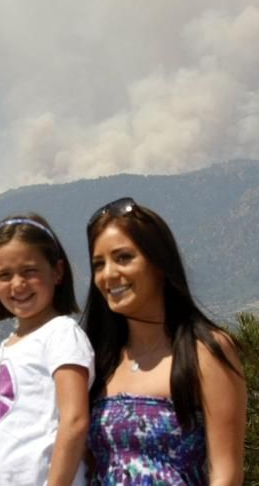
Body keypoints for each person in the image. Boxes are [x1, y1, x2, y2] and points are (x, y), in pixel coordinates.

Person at [82, 197, 247, 486]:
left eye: (123, 257)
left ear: (158, 263)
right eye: (99, 264)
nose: (108, 274)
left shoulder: (205, 351)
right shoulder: (98, 359)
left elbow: (226, 474)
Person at [0, 214, 93, 486]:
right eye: (5, 275)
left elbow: (75, 419)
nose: (18, 284)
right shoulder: (7, 346)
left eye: (30, 271)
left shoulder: (61, 334)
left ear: (57, 272)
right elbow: (23, 409)